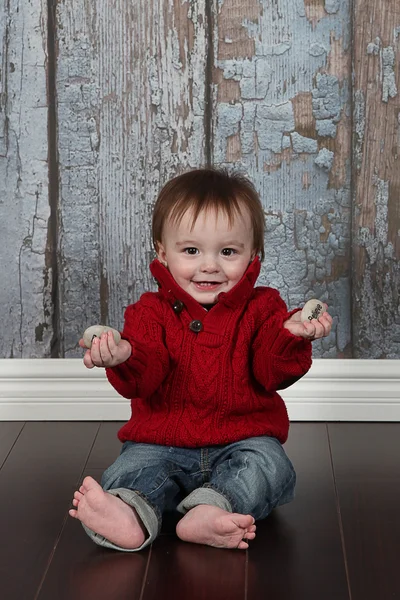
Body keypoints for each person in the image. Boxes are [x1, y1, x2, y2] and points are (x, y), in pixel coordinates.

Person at [69, 168, 333, 552]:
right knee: (133, 469)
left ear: (252, 254)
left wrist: (290, 335)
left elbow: (271, 372)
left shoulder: (264, 308)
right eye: (191, 251)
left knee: (268, 465)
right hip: (160, 441)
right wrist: (124, 355)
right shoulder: (149, 313)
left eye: (228, 252)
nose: (210, 265)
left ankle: (211, 510)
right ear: (163, 252)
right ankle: (128, 514)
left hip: (242, 440)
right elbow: (146, 373)